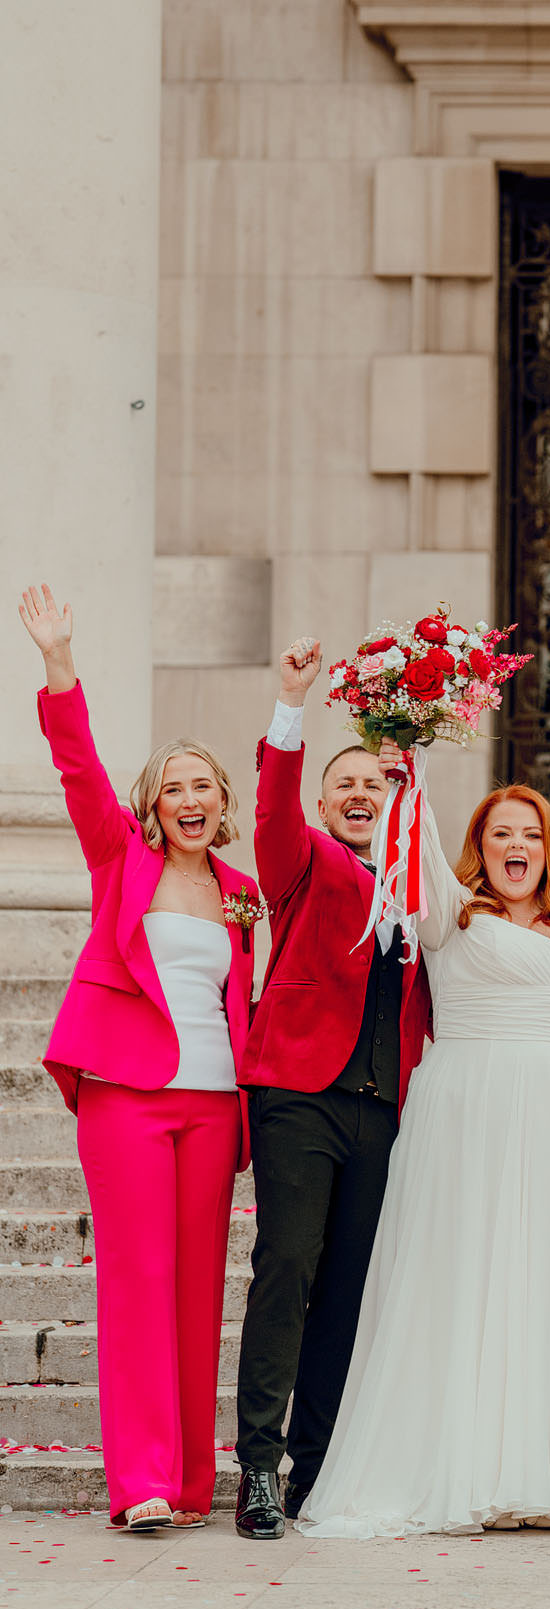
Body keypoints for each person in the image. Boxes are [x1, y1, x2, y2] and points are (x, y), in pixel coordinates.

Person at [301, 784, 550, 1537]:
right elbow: (417, 837)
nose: (516, 846)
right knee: (471, 1279)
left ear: (549, 845)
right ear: (480, 846)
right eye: (501, 834)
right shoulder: (448, 912)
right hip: (473, 1112)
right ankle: (469, 1468)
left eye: (530, 833)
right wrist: (409, 754)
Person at [19, 583, 257, 1533]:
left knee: (200, 1291)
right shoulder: (124, 862)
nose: (190, 798)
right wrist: (59, 661)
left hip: (213, 1106)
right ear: (153, 802)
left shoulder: (244, 892)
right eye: (175, 785)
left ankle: (194, 1485)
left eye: (204, 784)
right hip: (126, 1095)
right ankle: (142, 1483)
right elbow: (76, 766)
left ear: (221, 801)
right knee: (138, 1285)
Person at [233, 637, 433, 1539]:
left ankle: (317, 1466)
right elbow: (272, 808)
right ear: (325, 801)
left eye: (377, 786)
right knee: (287, 1266)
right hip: (301, 1096)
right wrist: (291, 702)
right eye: (345, 785)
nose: (362, 795)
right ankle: (259, 1468)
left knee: (349, 1285)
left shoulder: (418, 889)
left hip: (384, 1109)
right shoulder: (303, 864)